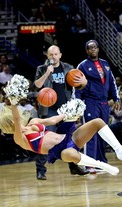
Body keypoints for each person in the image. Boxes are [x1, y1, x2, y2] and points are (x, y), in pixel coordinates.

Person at [0, 104, 122, 176]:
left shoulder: (33, 122)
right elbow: (18, 119)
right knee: (71, 155)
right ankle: (102, 165)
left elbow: (53, 120)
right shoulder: (19, 138)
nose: (16, 119)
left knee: (97, 122)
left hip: (68, 138)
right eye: (13, 121)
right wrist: (12, 103)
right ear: (11, 123)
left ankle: (120, 151)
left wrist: (67, 113)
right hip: (61, 151)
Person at [33, 45, 88, 180]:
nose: (53, 57)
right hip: (49, 110)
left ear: (60, 55)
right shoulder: (41, 69)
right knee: (45, 140)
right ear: (47, 56)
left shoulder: (68, 68)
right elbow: (37, 86)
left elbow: (80, 84)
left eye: (56, 54)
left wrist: (84, 82)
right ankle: (40, 170)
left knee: (70, 139)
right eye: (51, 55)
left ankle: (74, 167)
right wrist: (47, 73)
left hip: (65, 110)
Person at [75, 40, 120, 173]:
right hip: (90, 102)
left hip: (104, 103)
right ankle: (89, 164)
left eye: (95, 47)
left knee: (103, 133)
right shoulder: (82, 66)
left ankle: (101, 162)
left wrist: (116, 98)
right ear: (87, 51)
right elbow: (76, 86)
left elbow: (111, 81)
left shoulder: (105, 64)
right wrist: (77, 104)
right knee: (90, 134)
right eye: (90, 48)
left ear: (98, 49)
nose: (93, 49)